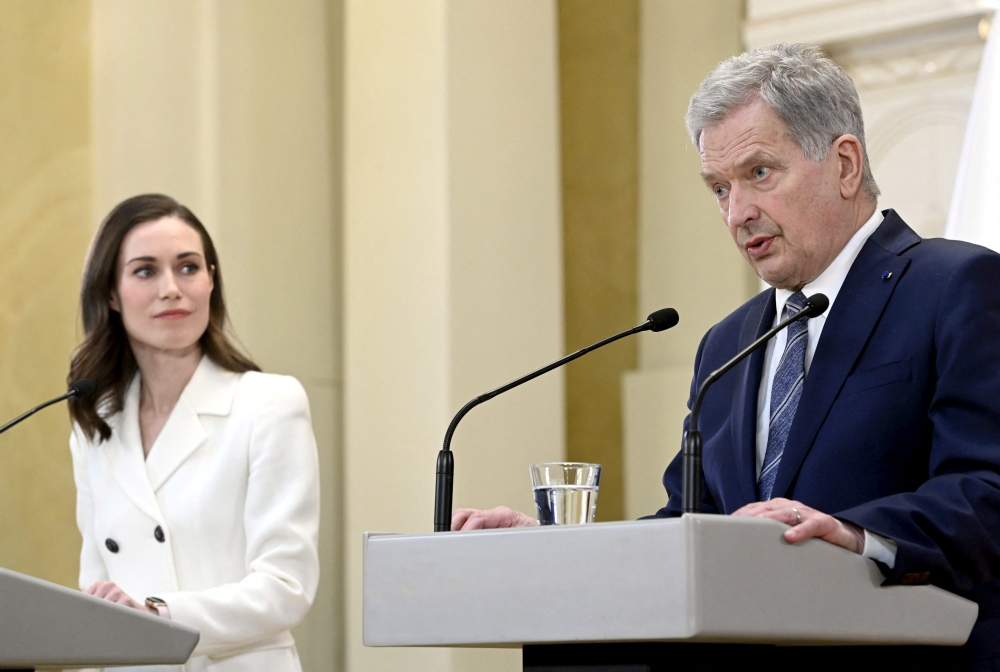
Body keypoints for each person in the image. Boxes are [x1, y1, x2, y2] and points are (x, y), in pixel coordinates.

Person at [453, 44, 1000, 668]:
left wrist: (854, 534)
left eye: (759, 173)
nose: (737, 213)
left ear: (844, 164)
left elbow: (986, 488)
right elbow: (692, 529)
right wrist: (560, 550)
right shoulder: (729, 343)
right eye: (719, 188)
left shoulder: (954, 285)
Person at [67, 194, 320, 672]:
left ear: (211, 281)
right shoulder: (95, 426)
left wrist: (159, 616)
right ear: (111, 295)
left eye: (188, 268)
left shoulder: (269, 403)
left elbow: (286, 586)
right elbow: (96, 590)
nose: (171, 289)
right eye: (145, 271)